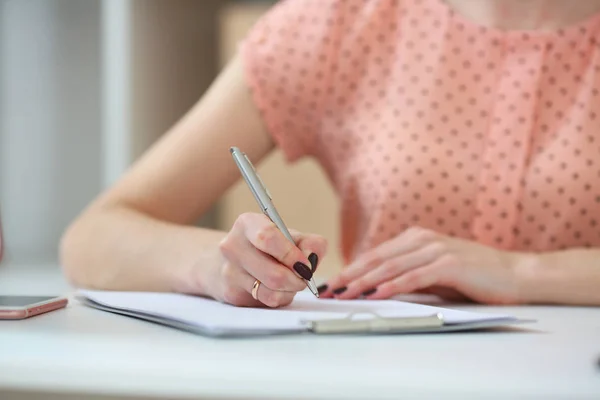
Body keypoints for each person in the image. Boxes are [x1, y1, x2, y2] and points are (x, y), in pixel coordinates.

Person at [61, 0, 600, 307]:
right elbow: (94, 238)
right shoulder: (339, 23)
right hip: (380, 381)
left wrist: (524, 272)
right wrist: (220, 267)